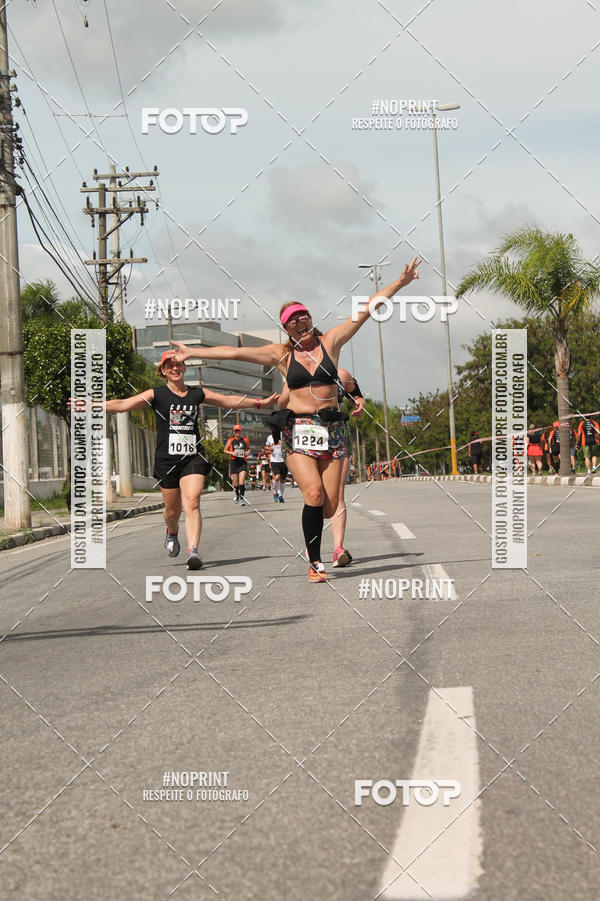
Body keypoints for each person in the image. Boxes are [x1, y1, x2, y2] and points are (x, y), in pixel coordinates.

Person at [171, 256, 421, 582]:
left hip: (333, 429)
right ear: (287, 328)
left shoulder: (331, 342)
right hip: (299, 430)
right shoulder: (282, 354)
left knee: (329, 506)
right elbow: (234, 352)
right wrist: (192, 353)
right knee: (313, 494)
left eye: (304, 316)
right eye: (293, 320)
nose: (301, 321)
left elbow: (366, 310)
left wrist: (400, 282)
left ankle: (326, 544)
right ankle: (315, 562)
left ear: (311, 319)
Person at [73, 350, 278, 569]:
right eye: (169, 366)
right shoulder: (156, 394)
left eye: (178, 364)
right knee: (172, 511)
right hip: (167, 461)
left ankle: (193, 552)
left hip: (193, 457)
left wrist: (260, 403)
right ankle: (172, 531)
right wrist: (93, 405)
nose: (175, 368)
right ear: (162, 371)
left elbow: (229, 401)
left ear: (184, 367)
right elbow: (124, 404)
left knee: (193, 501)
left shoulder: (196, 393)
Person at [224, 425, 250, 505]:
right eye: (236, 431)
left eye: (238, 430)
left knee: (241, 482)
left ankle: (242, 498)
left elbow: (248, 449)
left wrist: (247, 453)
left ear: (240, 431)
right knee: (235, 483)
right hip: (234, 462)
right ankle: (237, 495)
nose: (237, 432)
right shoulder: (231, 440)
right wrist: (232, 453)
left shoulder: (245, 440)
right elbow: (225, 450)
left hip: (242, 462)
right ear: (233, 432)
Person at [265, 434, 287, 502]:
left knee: (283, 480)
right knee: (277, 476)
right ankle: (275, 493)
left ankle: (280, 495)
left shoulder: (284, 435)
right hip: (274, 461)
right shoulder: (270, 437)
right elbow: (266, 447)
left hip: (284, 460)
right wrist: (269, 448)